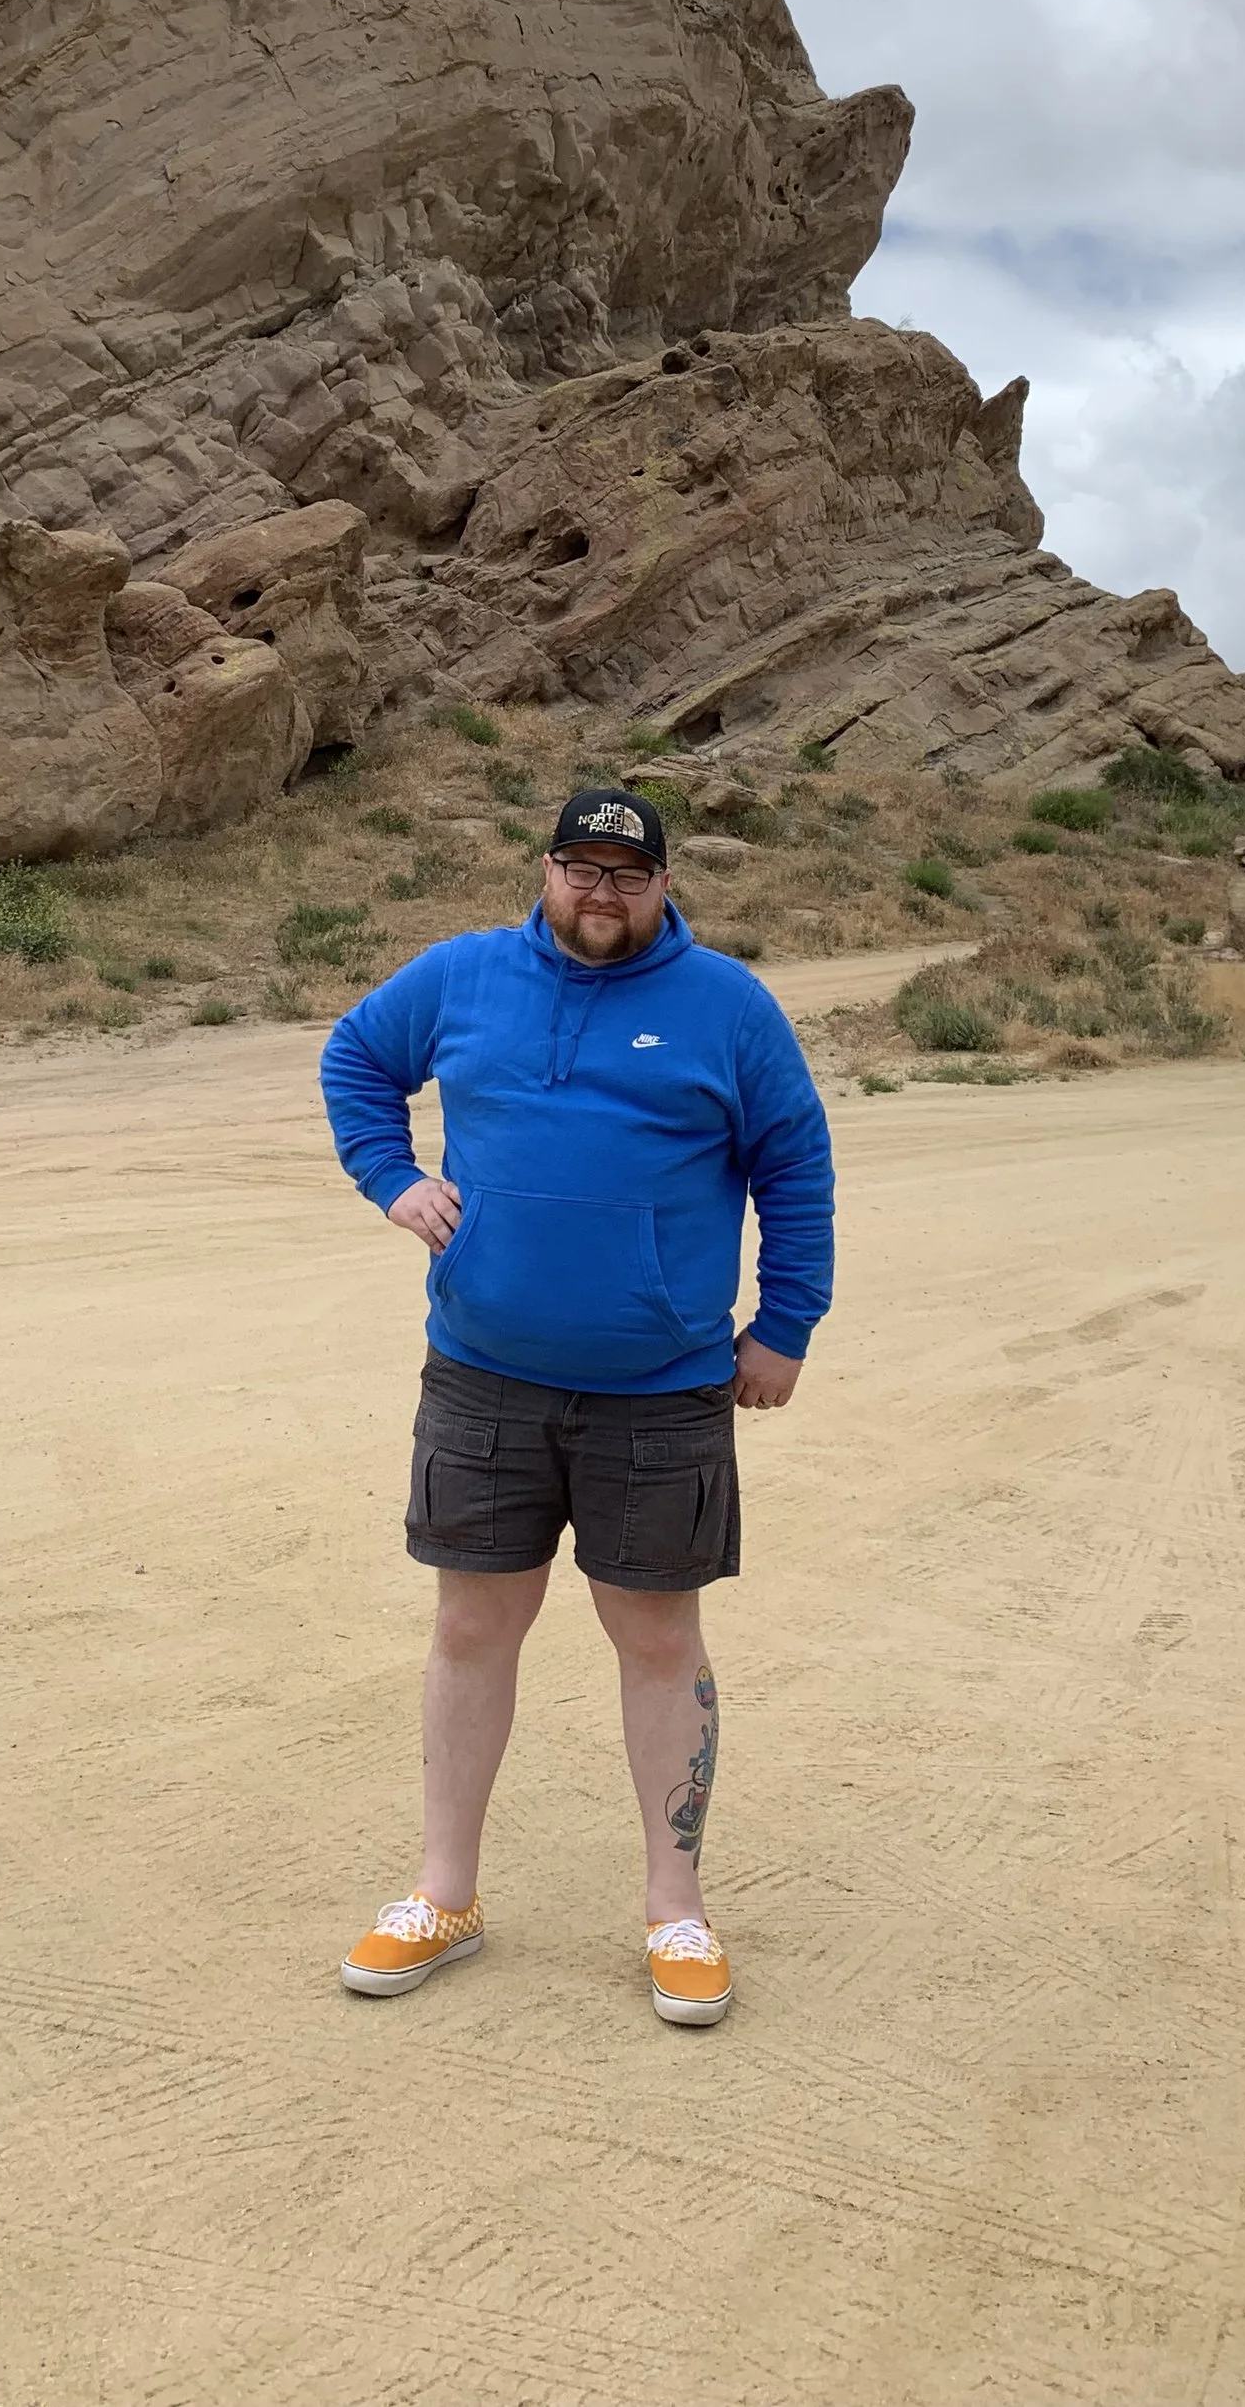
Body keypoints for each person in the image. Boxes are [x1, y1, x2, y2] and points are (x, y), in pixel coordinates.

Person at [319, 784, 835, 2025]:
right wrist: (392, 1180)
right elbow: (355, 1061)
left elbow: (795, 1163)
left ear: (663, 885)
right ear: (545, 869)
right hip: (484, 1373)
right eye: (579, 867)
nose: (600, 892)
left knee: (659, 1643)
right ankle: (444, 1896)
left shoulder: (728, 1007)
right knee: (468, 1631)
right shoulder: (461, 977)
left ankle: (675, 1909)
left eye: (626, 873)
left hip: (659, 1391)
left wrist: (783, 1327)